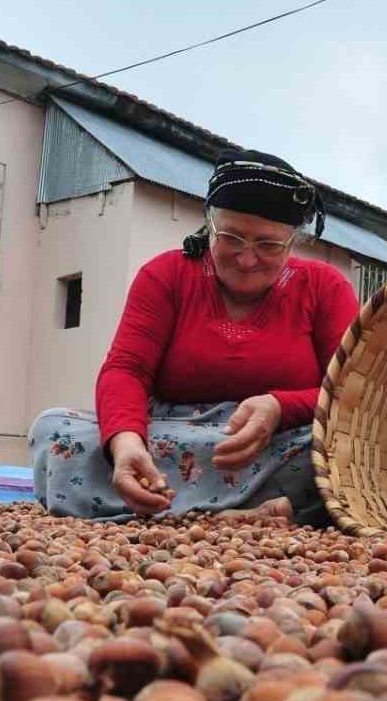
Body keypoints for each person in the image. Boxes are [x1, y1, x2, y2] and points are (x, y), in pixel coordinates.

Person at [29, 149, 361, 524]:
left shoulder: (325, 287)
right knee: (55, 429)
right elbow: (126, 369)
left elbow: (349, 393)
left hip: (277, 441)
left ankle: (170, 510)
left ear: (292, 242)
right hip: (172, 432)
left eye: (268, 245)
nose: (247, 259)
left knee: (347, 453)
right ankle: (276, 510)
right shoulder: (166, 275)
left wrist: (280, 408)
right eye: (232, 238)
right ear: (210, 227)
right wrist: (125, 443)